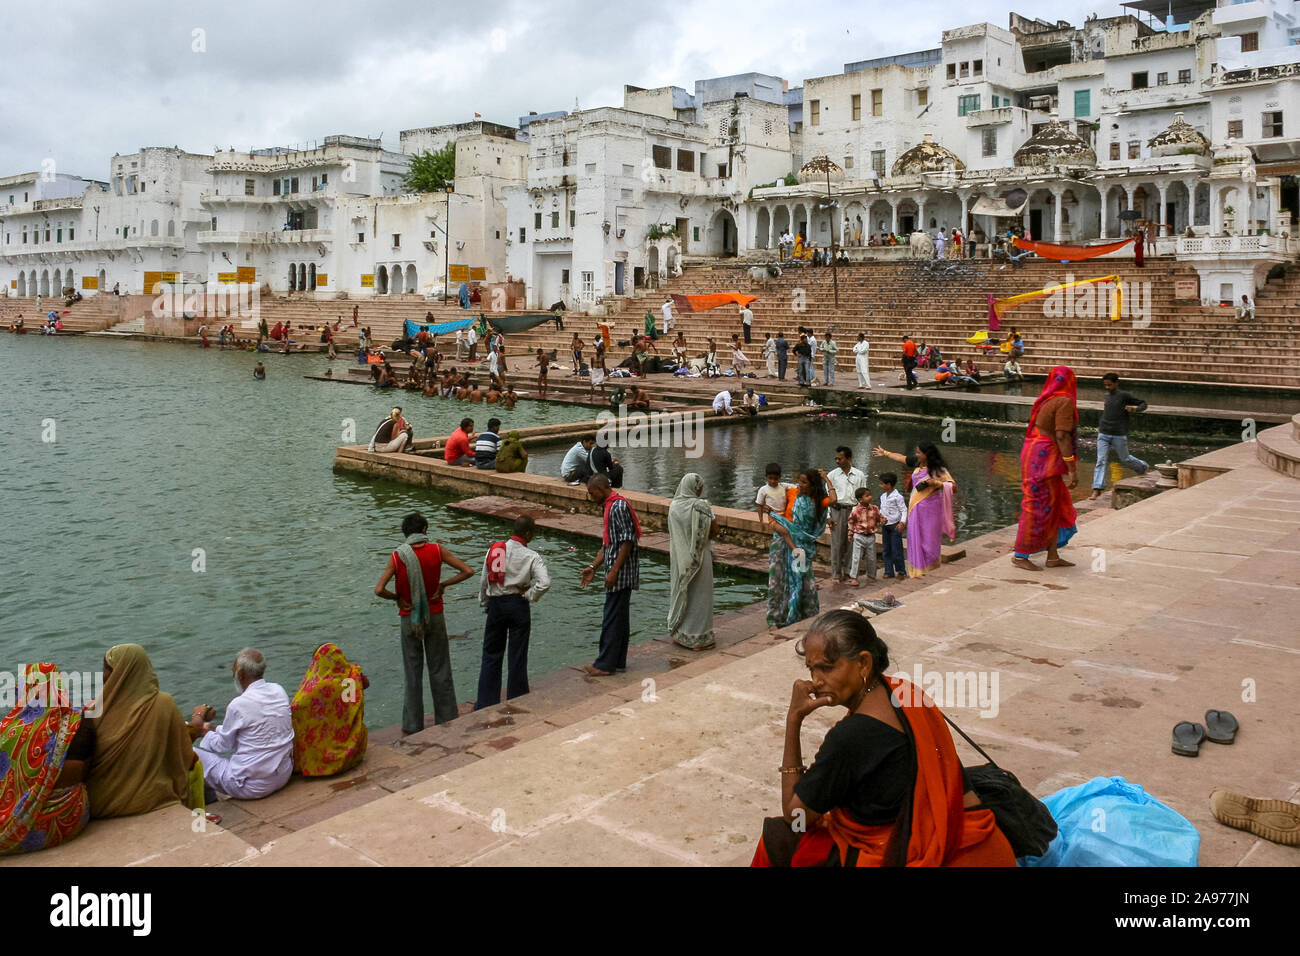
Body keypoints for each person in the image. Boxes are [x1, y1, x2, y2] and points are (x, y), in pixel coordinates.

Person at [751, 611, 1016, 867]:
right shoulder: (905, 692)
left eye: (827, 668)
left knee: (777, 837)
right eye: (812, 669)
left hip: (899, 850)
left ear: (863, 663)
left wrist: (793, 720)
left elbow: (796, 816)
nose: (816, 681)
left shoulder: (851, 737)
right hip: (962, 831)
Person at [375, 512, 474, 732]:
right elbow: (468, 570)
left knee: (412, 672)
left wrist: (397, 599)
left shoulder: (398, 556)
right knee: (440, 668)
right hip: (435, 614)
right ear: (424, 531)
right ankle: (447, 717)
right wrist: (443, 585)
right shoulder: (437, 550)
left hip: (409, 618)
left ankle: (412, 725)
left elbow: (379, 589)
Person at [85, 644, 200, 819]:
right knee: (196, 765)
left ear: (120, 672)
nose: (103, 675)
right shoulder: (163, 704)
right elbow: (184, 756)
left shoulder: (93, 712)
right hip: (152, 799)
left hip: (101, 803)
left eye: (107, 669)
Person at [1, 663, 92, 855]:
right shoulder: (76, 723)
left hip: (10, 828)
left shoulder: (6, 729)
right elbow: (84, 769)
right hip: (68, 817)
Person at [189, 649, 294, 800]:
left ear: (240, 674)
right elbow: (249, 730)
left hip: (252, 786)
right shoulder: (278, 690)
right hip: (282, 776)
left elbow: (222, 746)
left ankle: (204, 802)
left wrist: (198, 722)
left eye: (233, 670)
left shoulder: (238, 705)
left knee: (189, 752)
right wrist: (208, 729)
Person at [475, 515, 551, 709]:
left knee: (491, 654)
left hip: (496, 604)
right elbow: (544, 583)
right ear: (527, 534)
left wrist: (485, 604)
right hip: (518, 603)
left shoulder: (495, 550)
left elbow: (485, 580)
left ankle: (486, 701)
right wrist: (530, 595)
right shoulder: (532, 556)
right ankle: (517, 697)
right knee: (517, 654)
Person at [1011, 366, 1081, 571]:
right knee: (1037, 506)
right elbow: (1062, 435)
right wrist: (1072, 468)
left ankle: (1052, 556)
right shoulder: (1065, 401)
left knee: (1055, 504)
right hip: (1045, 458)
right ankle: (1020, 554)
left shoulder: (1047, 399)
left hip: (1034, 452)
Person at [578, 475, 641, 676]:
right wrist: (593, 566)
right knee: (619, 617)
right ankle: (618, 661)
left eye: (591, 493)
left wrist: (614, 571)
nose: (591, 497)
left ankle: (605, 664)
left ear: (600, 488)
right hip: (616, 570)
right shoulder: (610, 506)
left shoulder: (618, 507)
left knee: (611, 617)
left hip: (621, 573)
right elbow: (609, 544)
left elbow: (627, 541)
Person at [874, 442, 956, 579]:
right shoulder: (918, 464)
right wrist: (886, 453)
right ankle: (917, 573)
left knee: (929, 543)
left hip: (931, 511)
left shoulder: (938, 470)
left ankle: (931, 571)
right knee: (915, 540)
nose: (916, 455)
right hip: (915, 510)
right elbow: (901, 458)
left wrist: (936, 483)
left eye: (919, 452)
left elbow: (953, 487)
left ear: (927, 454)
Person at [767, 469, 833, 630]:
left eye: (804, 482)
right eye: (800, 481)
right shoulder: (791, 493)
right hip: (783, 543)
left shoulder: (818, 502)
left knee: (802, 581)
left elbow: (834, 499)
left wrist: (826, 478)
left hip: (801, 546)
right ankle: (776, 618)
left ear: (812, 485)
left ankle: (799, 614)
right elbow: (774, 511)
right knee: (778, 580)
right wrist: (775, 524)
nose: (800, 484)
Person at [290, 643, 368, 777]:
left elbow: (296, 707)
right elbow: (365, 684)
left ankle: (318, 762)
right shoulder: (353, 675)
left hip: (323, 754)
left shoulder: (317, 687)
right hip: (353, 749)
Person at [667, 473, 719, 650]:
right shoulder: (702, 506)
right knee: (700, 598)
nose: (701, 490)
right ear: (696, 487)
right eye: (700, 487)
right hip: (700, 559)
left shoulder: (673, 506)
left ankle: (681, 634)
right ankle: (699, 639)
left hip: (680, 559)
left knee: (683, 593)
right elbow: (714, 531)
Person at [1091, 372, 1149, 499]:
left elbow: (1143, 403)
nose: (1107, 387)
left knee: (1125, 459)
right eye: (1105, 385)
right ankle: (1097, 488)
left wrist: (1136, 409)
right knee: (1101, 460)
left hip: (1118, 434)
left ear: (1116, 383)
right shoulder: (1107, 395)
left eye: (1110, 385)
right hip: (1104, 432)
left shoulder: (1124, 396)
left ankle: (1142, 466)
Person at [826, 446, 867, 584]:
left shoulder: (860, 475)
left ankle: (850, 571)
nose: (837, 461)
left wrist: (862, 514)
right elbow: (826, 498)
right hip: (837, 510)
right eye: (836, 458)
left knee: (852, 542)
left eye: (840, 458)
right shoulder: (832, 475)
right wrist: (828, 516)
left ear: (849, 459)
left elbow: (863, 495)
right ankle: (836, 574)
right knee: (837, 543)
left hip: (854, 511)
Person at [846, 487, 882, 586]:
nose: (870, 497)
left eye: (870, 495)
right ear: (860, 499)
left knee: (871, 557)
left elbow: (879, 517)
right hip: (859, 536)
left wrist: (882, 521)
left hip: (870, 536)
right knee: (856, 557)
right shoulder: (856, 510)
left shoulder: (874, 508)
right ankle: (854, 577)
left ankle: (871, 576)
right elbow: (851, 522)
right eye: (867, 496)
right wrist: (850, 534)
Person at [876, 472, 907, 578]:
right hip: (886, 525)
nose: (880, 486)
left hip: (895, 525)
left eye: (882, 484)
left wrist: (902, 522)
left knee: (896, 549)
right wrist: (881, 517)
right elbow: (882, 509)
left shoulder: (898, 497)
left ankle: (901, 570)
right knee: (886, 549)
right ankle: (889, 571)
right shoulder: (883, 496)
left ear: (889, 484)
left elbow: (904, 510)